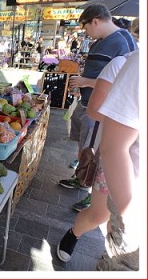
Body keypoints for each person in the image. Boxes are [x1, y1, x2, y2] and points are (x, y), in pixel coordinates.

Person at [57, 48, 139, 267]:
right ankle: (74, 234)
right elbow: (113, 143)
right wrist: (130, 216)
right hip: (124, 174)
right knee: (98, 215)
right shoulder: (130, 63)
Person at [58, 4, 136, 199]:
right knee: (83, 145)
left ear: (95, 21)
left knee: (95, 152)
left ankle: (92, 195)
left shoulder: (123, 42)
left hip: (100, 109)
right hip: (85, 103)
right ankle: (82, 178)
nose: (86, 32)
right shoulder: (99, 41)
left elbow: (123, 81)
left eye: (85, 27)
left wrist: (87, 82)